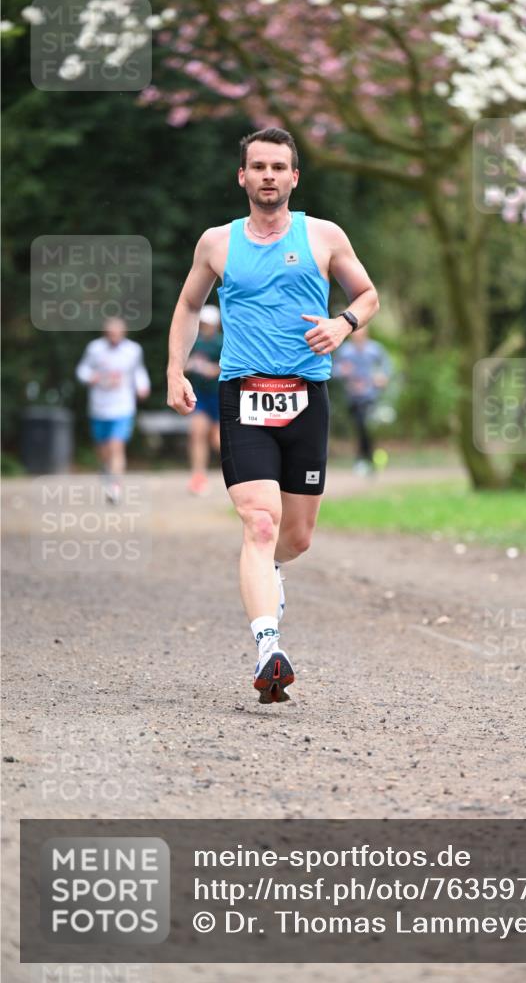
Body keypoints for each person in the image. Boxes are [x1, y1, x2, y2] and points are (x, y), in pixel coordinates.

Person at [166, 127, 379, 703]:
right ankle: (268, 648)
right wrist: (174, 370)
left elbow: (367, 295)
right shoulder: (217, 242)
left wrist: (344, 324)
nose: (267, 175)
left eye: (277, 167)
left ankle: (268, 572)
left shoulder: (324, 235)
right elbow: (189, 305)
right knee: (260, 522)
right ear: (242, 176)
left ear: (293, 177)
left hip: (307, 395)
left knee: (297, 537)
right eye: (256, 166)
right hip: (243, 393)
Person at [76, 316, 151, 502]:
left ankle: (115, 486)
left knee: (116, 446)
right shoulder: (94, 349)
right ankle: (105, 469)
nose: (114, 336)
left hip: (123, 405)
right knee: (103, 449)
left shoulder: (133, 350)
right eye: (111, 332)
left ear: (124, 332)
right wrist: (89, 377)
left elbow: (138, 372)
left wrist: (142, 386)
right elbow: (82, 369)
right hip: (99, 406)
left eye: (117, 332)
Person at [333, 325, 392, 475]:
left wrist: (382, 377)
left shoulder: (375, 349)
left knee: (364, 425)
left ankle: (364, 460)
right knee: (359, 427)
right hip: (352, 396)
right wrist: (343, 371)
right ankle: (366, 458)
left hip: (370, 395)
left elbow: (386, 366)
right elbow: (334, 370)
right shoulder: (345, 351)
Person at [185, 304, 224, 495]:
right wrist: (190, 365)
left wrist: (213, 370)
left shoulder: (222, 342)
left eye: (208, 324)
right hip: (200, 395)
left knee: (217, 440)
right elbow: (181, 364)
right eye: (203, 323)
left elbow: (229, 366)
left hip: (220, 396)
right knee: (197, 434)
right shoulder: (195, 342)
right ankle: (198, 477)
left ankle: (241, 473)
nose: (205, 327)